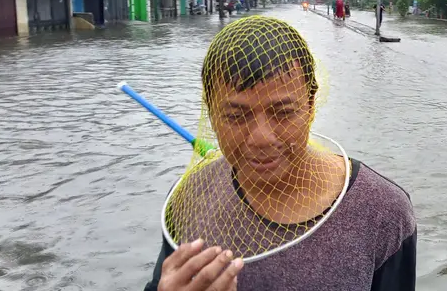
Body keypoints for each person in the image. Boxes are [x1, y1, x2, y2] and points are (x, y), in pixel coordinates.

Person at [143, 16, 417, 291]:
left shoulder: (384, 213)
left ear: (310, 106)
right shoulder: (188, 199)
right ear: (212, 113)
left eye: (283, 113)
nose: (261, 138)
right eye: (236, 116)